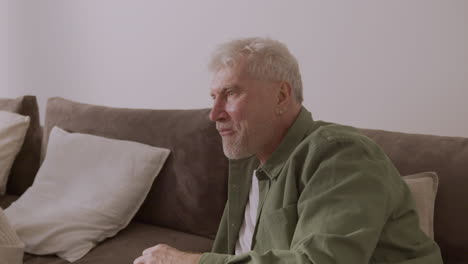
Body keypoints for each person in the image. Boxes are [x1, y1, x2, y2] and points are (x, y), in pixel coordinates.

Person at [133, 37, 443, 264]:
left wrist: (188, 262)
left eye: (230, 93)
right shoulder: (246, 162)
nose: (214, 113)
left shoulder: (341, 154)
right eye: (213, 96)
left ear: (282, 95)